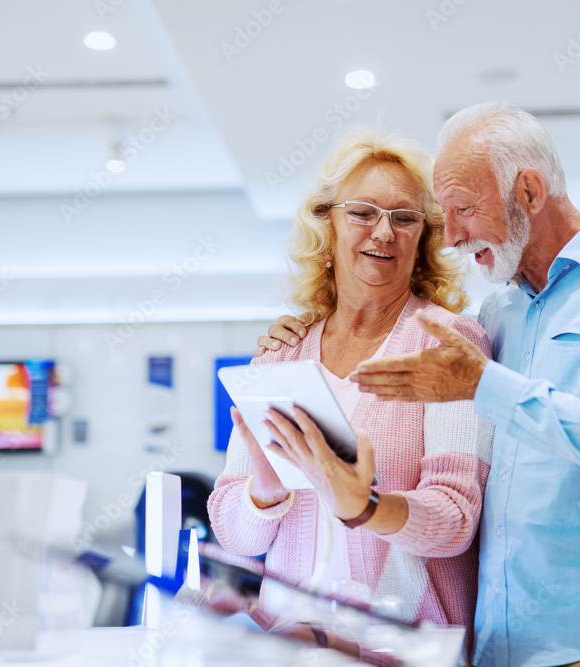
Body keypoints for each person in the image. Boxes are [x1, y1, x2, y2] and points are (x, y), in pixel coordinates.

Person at [257, 102, 580, 667]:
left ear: (527, 190)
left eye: (465, 210)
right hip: (499, 648)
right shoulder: (500, 314)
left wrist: (482, 384)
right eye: (445, 216)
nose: (452, 239)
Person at [210, 129, 493, 665]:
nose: (383, 231)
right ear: (328, 224)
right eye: (362, 212)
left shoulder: (448, 346)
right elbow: (233, 530)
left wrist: (365, 506)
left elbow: (456, 520)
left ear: (423, 238)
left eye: (405, 217)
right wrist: (262, 494)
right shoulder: (280, 354)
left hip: (399, 646)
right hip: (286, 643)